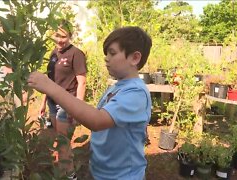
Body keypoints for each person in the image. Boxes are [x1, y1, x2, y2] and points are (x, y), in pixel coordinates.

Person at [29, 26, 152, 180]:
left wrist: (50, 87)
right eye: (106, 53)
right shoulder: (117, 87)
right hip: (101, 172)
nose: (106, 58)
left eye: (112, 53)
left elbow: (97, 120)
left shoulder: (136, 93)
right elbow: (97, 116)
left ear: (135, 58)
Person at [39, 20, 87, 178]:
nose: (59, 39)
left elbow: (82, 82)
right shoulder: (53, 54)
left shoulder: (76, 54)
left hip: (67, 103)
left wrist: (77, 108)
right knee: (59, 141)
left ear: (70, 36)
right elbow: (49, 80)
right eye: (57, 35)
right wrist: (43, 102)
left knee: (63, 142)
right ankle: (62, 172)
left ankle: (70, 175)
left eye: (63, 36)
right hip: (53, 103)